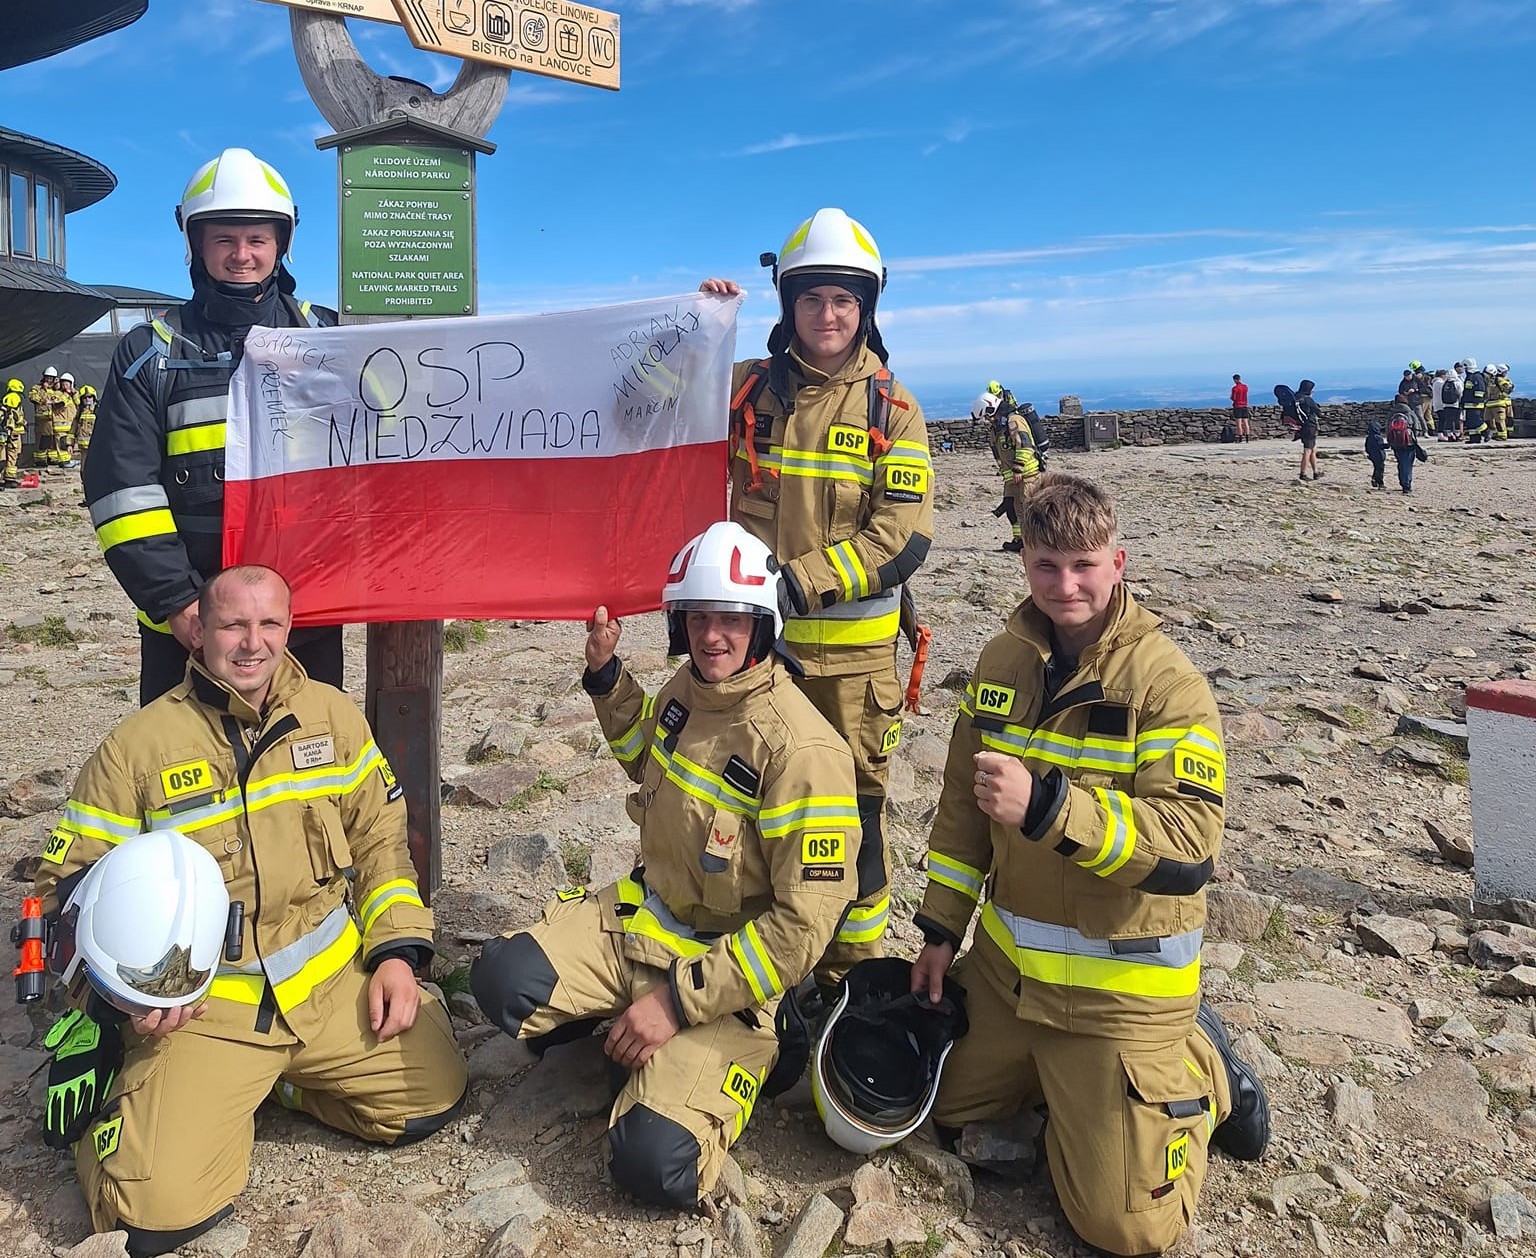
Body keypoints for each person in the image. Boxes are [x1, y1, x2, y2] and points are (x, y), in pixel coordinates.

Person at [33, 564, 465, 1256]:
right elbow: (64, 892)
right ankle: (139, 1101)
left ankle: (276, 1089)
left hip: (328, 990)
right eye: (234, 624)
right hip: (206, 1017)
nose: (252, 643)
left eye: (269, 624)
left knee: (432, 1097)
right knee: (151, 1213)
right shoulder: (136, 749)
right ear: (200, 631)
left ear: (289, 628)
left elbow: (382, 838)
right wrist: (115, 1004)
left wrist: (395, 954)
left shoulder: (332, 715)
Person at [909, 474, 1269, 1257]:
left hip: (1117, 1003)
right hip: (1009, 984)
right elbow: (964, 811)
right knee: (916, 1105)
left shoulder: (1168, 684)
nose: (1064, 585)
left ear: (1118, 563)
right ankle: (1058, 1088)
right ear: (1025, 564)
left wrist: (1050, 808)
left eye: (1083, 566)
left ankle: (1202, 1063)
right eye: (1045, 566)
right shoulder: (1001, 661)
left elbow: (1188, 847)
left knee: (1125, 1228)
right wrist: (941, 927)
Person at [471, 522, 860, 1210]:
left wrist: (676, 1004)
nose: (714, 635)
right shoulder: (689, 687)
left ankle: (755, 1056)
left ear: (763, 625)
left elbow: (801, 929)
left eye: (733, 620)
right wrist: (606, 678)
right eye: (700, 617)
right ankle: (626, 1021)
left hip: (728, 975)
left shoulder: (804, 752)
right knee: (501, 982)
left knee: (653, 1167)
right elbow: (646, 757)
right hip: (645, 924)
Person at [699, 209, 933, 987]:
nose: (828, 316)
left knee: (854, 823)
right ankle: (758, 966)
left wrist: (795, 583)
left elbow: (901, 538)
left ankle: (848, 979)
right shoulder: (743, 391)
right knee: (750, 804)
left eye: (844, 301)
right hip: (759, 655)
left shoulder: (892, 410)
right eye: (811, 300)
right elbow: (650, 400)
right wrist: (698, 330)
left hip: (853, 671)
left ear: (866, 308)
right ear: (787, 304)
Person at [84, 147, 340, 708]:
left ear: (282, 244)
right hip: (191, 619)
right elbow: (120, 489)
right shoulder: (148, 352)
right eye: (224, 239)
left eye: (257, 239)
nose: (241, 255)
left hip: (305, 611)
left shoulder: (330, 338)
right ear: (196, 245)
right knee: (187, 768)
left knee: (313, 760)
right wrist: (176, 601)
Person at [27, 366, 60, 468]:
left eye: (51, 378)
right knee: (42, 440)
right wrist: (43, 395)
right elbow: (32, 397)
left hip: (54, 419)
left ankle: (52, 458)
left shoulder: (56, 389)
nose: (49, 380)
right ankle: (40, 460)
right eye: (48, 377)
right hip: (42, 419)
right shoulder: (37, 388)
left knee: (53, 440)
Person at [1295, 379, 1322, 480]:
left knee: (1313, 448)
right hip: (1310, 426)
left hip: (1301, 426)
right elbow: (1318, 412)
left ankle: (1316, 472)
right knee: (1308, 450)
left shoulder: (1296, 397)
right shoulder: (1307, 399)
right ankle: (1303, 473)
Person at [1460, 358, 1489, 443]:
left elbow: (1480, 389)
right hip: (1468, 404)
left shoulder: (1476, 376)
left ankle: (1486, 431)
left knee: (1476, 420)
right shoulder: (1469, 377)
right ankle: (1474, 438)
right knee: (1470, 423)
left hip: (1475, 404)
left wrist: (1477, 399)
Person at [1, 380, 24, 487]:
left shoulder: (8, 396)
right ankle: (9, 479)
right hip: (13, 432)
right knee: (12, 454)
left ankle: (8, 478)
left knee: (9, 455)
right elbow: (13, 415)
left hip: (11, 432)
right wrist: (22, 421)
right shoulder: (14, 397)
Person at [1432, 368, 1461, 440]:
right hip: (1445, 404)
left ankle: (1446, 434)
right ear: (1442, 375)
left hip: (1439, 404)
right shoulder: (1441, 383)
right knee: (1446, 420)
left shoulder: (1435, 383)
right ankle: (1443, 434)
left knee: (1445, 420)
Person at [1487, 364, 1513, 439]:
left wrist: (1502, 396)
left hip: (1498, 403)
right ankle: (1497, 434)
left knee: (1499, 420)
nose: (1506, 373)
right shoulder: (1497, 379)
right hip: (1492, 403)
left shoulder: (1500, 379)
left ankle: (1502, 435)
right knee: (1489, 420)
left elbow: (1508, 388)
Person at [1365, 409, 1388, 490]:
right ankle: (1380, 483)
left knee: (1376, 468)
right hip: (1379, 456)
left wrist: (1369, 454)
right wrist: (1388, 445)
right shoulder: (1378, 437)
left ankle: (1374, 479)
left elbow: (1367, 447)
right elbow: (1380, 446)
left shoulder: (1369, 438)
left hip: (1372, 456)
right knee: (1380, 469)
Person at [1229, 374, 1251, 441]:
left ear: (1235, 380)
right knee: (1246, 423)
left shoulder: (1235, 388)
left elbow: (1233, 398)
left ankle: (1240, 438)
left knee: (1239, 424)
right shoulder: (1245, 387)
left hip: (1238, 406)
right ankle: (1247, 438)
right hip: (1245, 406)